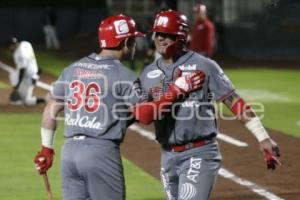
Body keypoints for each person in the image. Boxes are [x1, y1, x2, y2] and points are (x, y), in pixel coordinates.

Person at [33, 14, 205, 200]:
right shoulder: (124, 75)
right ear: (125, 42)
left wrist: (46, 148)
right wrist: (176, 90)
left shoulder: (72, 69)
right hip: (100, 153)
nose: (134, 45)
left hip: (69, 154)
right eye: (133, 40)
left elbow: (50, 110)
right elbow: (146, 115)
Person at [139, 10, 281, 200]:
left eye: (168, 34)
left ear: (181, 36)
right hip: (168, 156)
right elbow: (143, 115)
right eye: (158, 34)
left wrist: (262, 137)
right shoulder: (147, 73)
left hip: (199, 152)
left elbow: (234, 102)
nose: (161, 39)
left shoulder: (205, 66)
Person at [6, 37, 46, 106]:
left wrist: (17, 85)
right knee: (13, 74)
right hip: (34, 72)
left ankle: (45, 100)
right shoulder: (26, 44)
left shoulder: (19, 54)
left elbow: (22, 70)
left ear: (13, 45)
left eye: (10, 46)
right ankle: (22, 93)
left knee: (26, 101)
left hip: (28, 77)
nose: (9, 48)